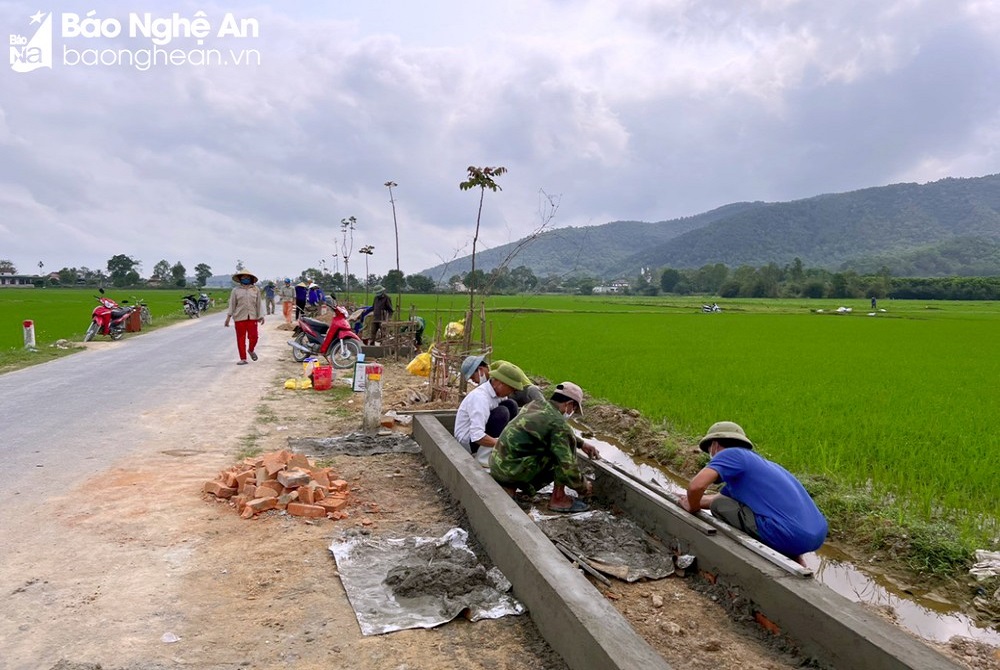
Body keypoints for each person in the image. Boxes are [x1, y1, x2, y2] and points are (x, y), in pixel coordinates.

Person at [679, 421, 828, 564]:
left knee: (719, 505)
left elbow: (696, 487)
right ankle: (795, 557)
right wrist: (686, 499)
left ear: (715, 446)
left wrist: (692, 506)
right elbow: (715, 498)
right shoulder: (762, 466)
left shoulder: (730, 454)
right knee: (723, 503)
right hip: (815, 535)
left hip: (788, 534)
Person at [489, 381, 601, 513]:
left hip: (497, 466)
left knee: (558, 445)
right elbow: (568, 467)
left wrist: (581, 443)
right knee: (561, 455)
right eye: (574, 409)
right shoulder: (559, 425)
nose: (572, 413)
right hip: (511, 472)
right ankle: (559, 499)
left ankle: (509, 490)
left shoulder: (535, 405)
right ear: (569, 405)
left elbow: (548, 430)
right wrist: (583, 487)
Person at [454, 362, 529, 467]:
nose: (511, 393)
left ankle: (499, 451)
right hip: (468, 441)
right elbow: (477, 436)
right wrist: (504, 445)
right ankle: (484, 458)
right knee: (502, 412)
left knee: (511, 404)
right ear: (500, 383)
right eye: (511, 388)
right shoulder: (480, 398)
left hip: (480, 436)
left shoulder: (499, 394)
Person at [224, 270, 264, 365]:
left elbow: (259, 304)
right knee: (241, 338)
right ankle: (243, 358)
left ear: (251, 279)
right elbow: (232, 304)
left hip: (252, 317)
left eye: (247, 278)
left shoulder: (255, 289)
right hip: (239, 318)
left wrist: (261, 316)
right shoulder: (235, 291)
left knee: (254, 336)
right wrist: (228, 317)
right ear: (240, 279)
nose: (245, 279)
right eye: (243, 278)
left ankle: (251, 350)